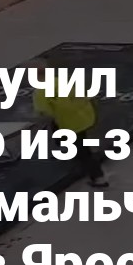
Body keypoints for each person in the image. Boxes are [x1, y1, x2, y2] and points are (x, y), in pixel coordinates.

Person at [26, 57, 108, 188]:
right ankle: (72, 151)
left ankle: (99, 178)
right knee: (75, 142)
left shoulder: (40, 92)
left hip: (69, 124)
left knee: (84, 152)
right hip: (83, 117)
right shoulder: (61, 81)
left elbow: (45, 113)